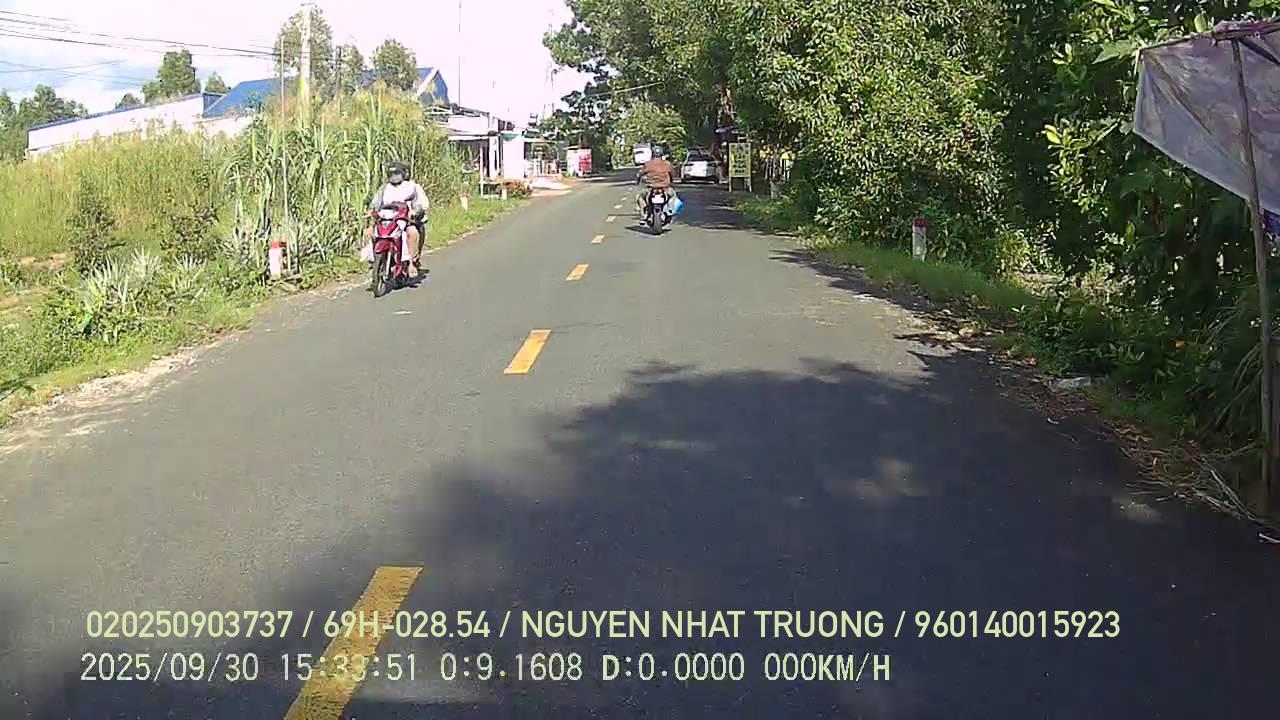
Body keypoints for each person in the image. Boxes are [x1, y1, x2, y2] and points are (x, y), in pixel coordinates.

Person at [366, 161, 429, 277]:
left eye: (396, 173)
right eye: (391, 174)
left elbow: (420, 203)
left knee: (412, 233)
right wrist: (371, 210)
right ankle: (373, 260)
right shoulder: (384, 188)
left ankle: (411, 263)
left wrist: (415, 211)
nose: (394, 177)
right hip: (386, 221)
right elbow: (376, 203)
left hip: (405, 220)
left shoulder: (412, 187)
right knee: (370, 232)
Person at [635, 145, 678, 219]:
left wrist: (638, 180)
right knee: (673, 194)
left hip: (650, 188)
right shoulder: (667, 164)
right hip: (665, 188)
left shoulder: (648, 164)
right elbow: (672, 174)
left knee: (640, 197)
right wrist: (671, 182)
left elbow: (640, 173)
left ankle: (644, 214)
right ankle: (670, 209)